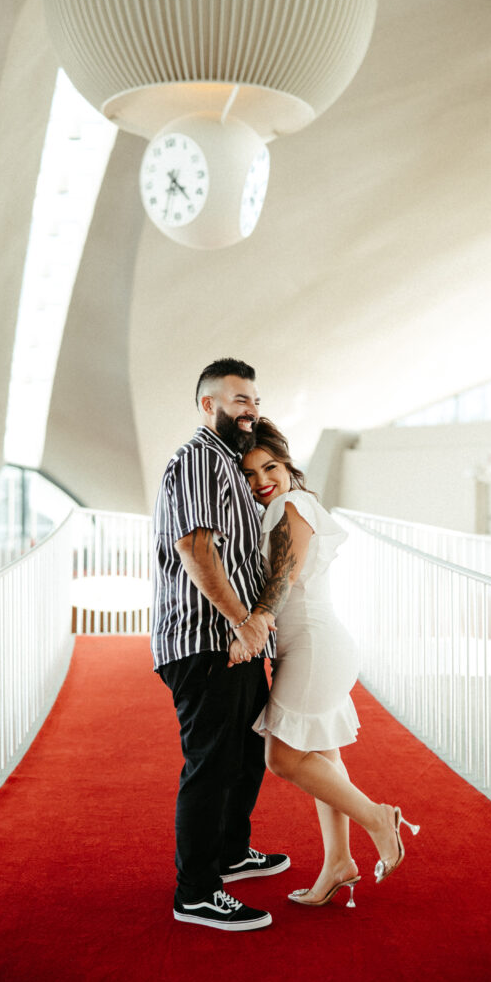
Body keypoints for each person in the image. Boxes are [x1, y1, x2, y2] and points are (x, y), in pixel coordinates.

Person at [237, 418, 419, 908]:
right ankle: (338, 863)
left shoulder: (291, 504)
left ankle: (378, 818)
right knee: (324, 755)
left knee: (284, 757)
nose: (261, 481)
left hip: (315, 647)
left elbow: (284, 576)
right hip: (312, 646)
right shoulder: (275, 508)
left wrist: (252, 626)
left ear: (287, 463)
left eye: (269, 467)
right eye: (250, 474)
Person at [151, 359, 289, 932]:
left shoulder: (230, 465)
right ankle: (197, 892)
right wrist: (245, 621)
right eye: (238, 399)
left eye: (253, 398)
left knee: (243, 756)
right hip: (204, 639)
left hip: (233, 638)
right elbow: (194, 547)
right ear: (208, 405)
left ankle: (231, 853)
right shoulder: (197, 459)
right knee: (210, 764)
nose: (250, 407)